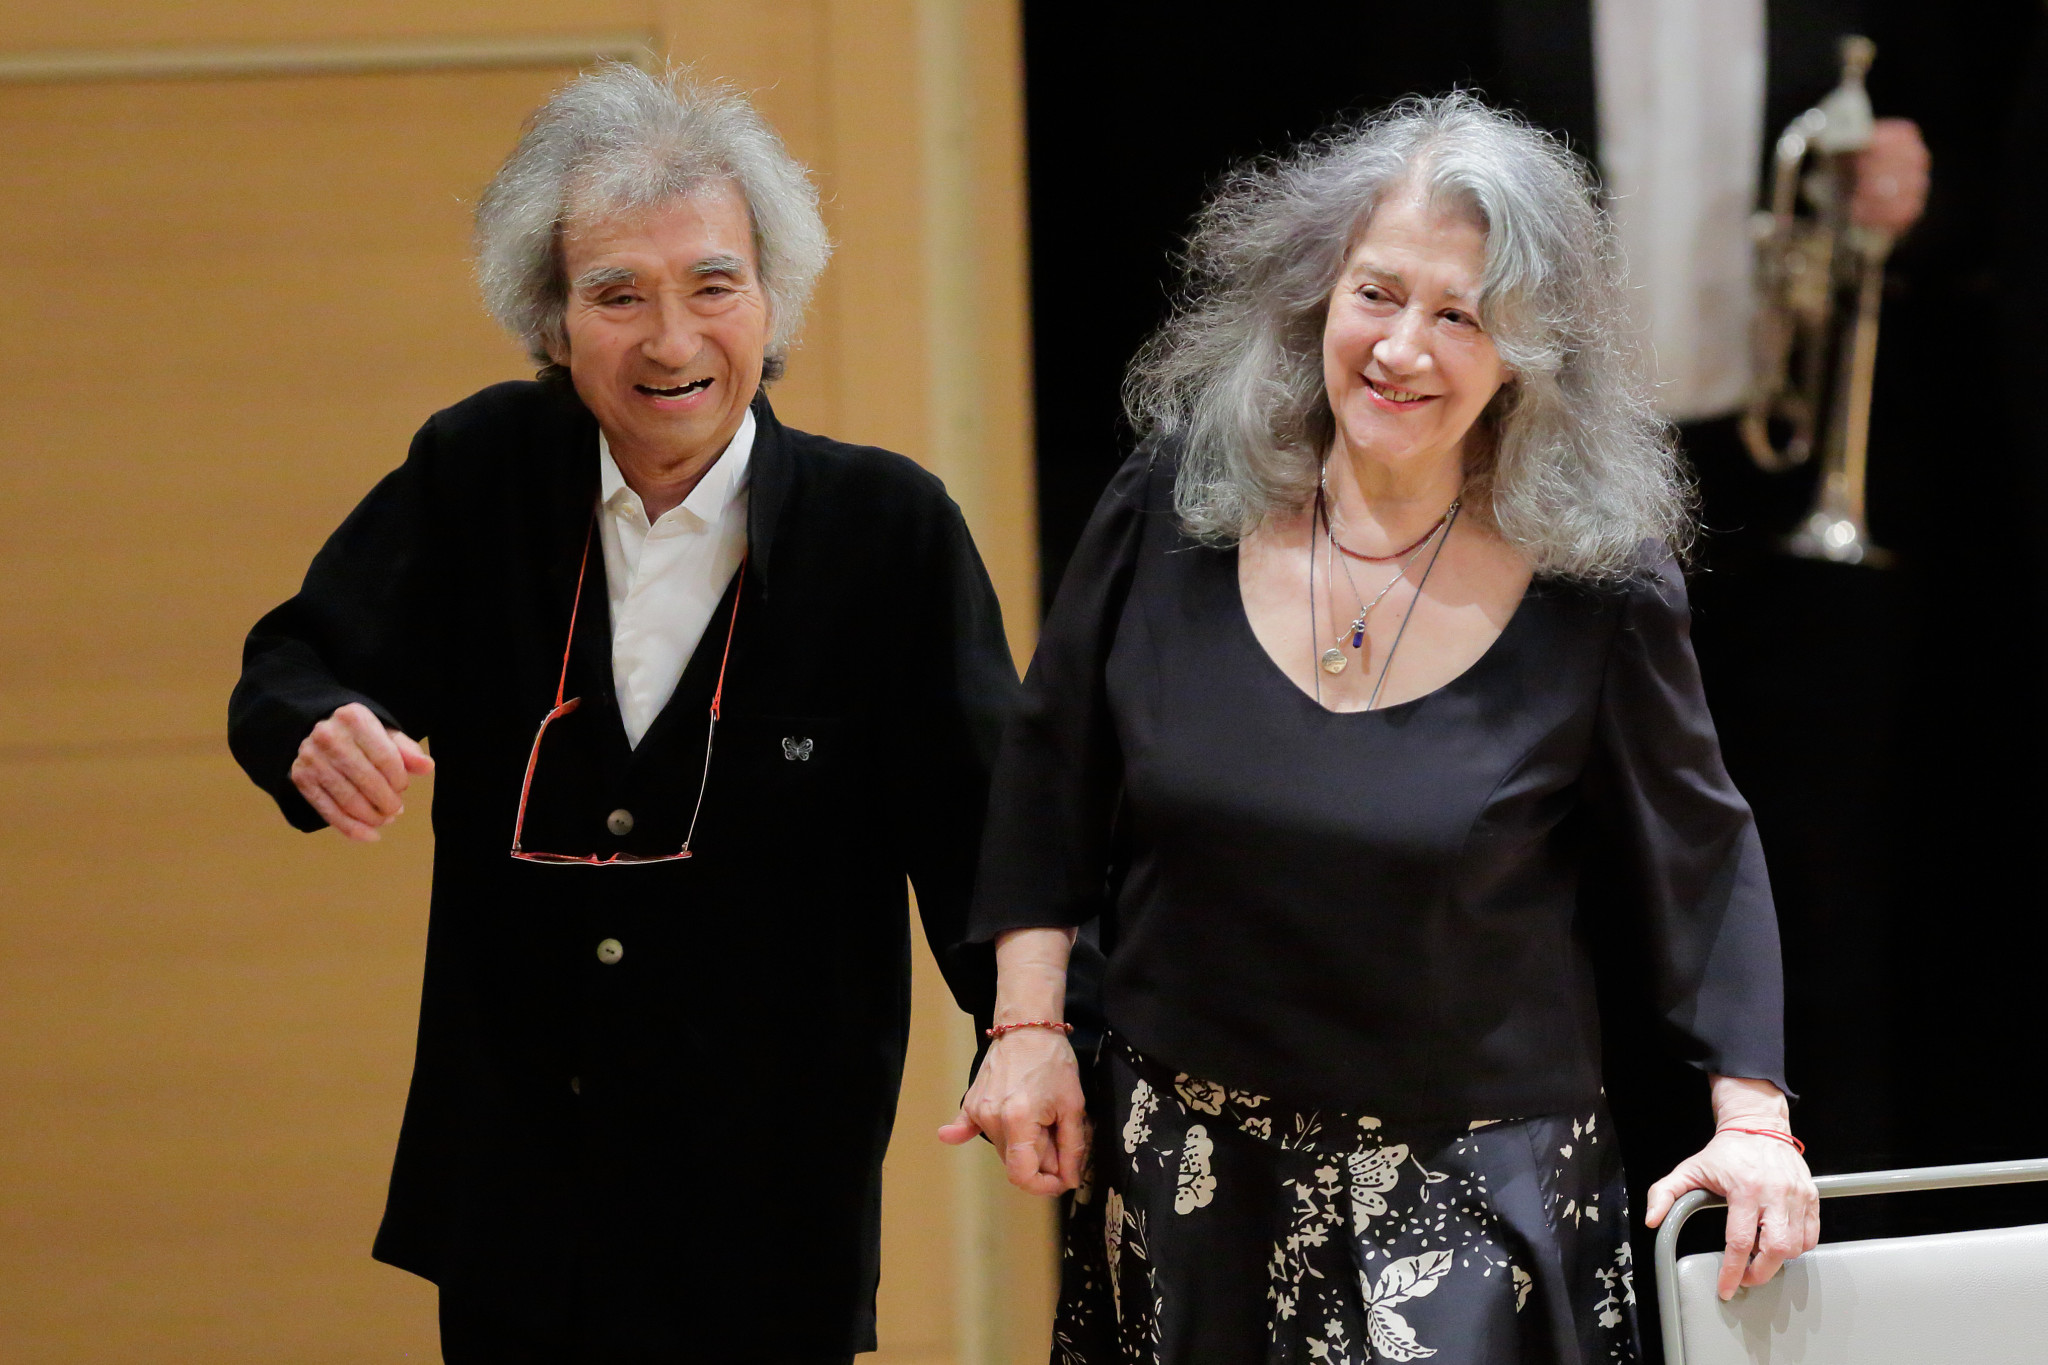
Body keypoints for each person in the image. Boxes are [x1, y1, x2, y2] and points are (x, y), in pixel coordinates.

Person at [942, 95, 1815, 1363]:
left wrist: (1752, 1120)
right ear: (1316, 295)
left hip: (1467, 1203)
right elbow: (1051, 769)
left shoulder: (1595, 583)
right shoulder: (1180, 493)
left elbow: (1699, 854)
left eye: (1460, 314)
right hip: (1185, 1176)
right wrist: (1025, 1029)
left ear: (1526, 350)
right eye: (1376, 294)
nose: (1401, 348)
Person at [228, 63, 1013, 1363]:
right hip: (518, 1195)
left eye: (713, 286)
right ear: (550, 320)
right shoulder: (478, 472)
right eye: (617, 295)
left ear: (772, 299)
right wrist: (311, 725)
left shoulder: (888, 532)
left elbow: (991, 834)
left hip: (768, 1205)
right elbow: (297, 660)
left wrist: (1035, 1033)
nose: (671, 341)